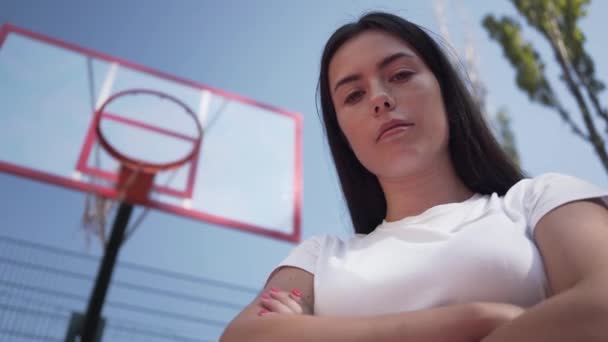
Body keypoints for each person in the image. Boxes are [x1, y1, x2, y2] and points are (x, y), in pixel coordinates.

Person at [220, 11, 608, 342]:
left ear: (444, 90)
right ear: (343, 135)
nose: (379, 98)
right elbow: (246, 337)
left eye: (401, 74)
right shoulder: (318, 259)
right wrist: (476, 319)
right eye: (353, 96)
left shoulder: (541, 200)